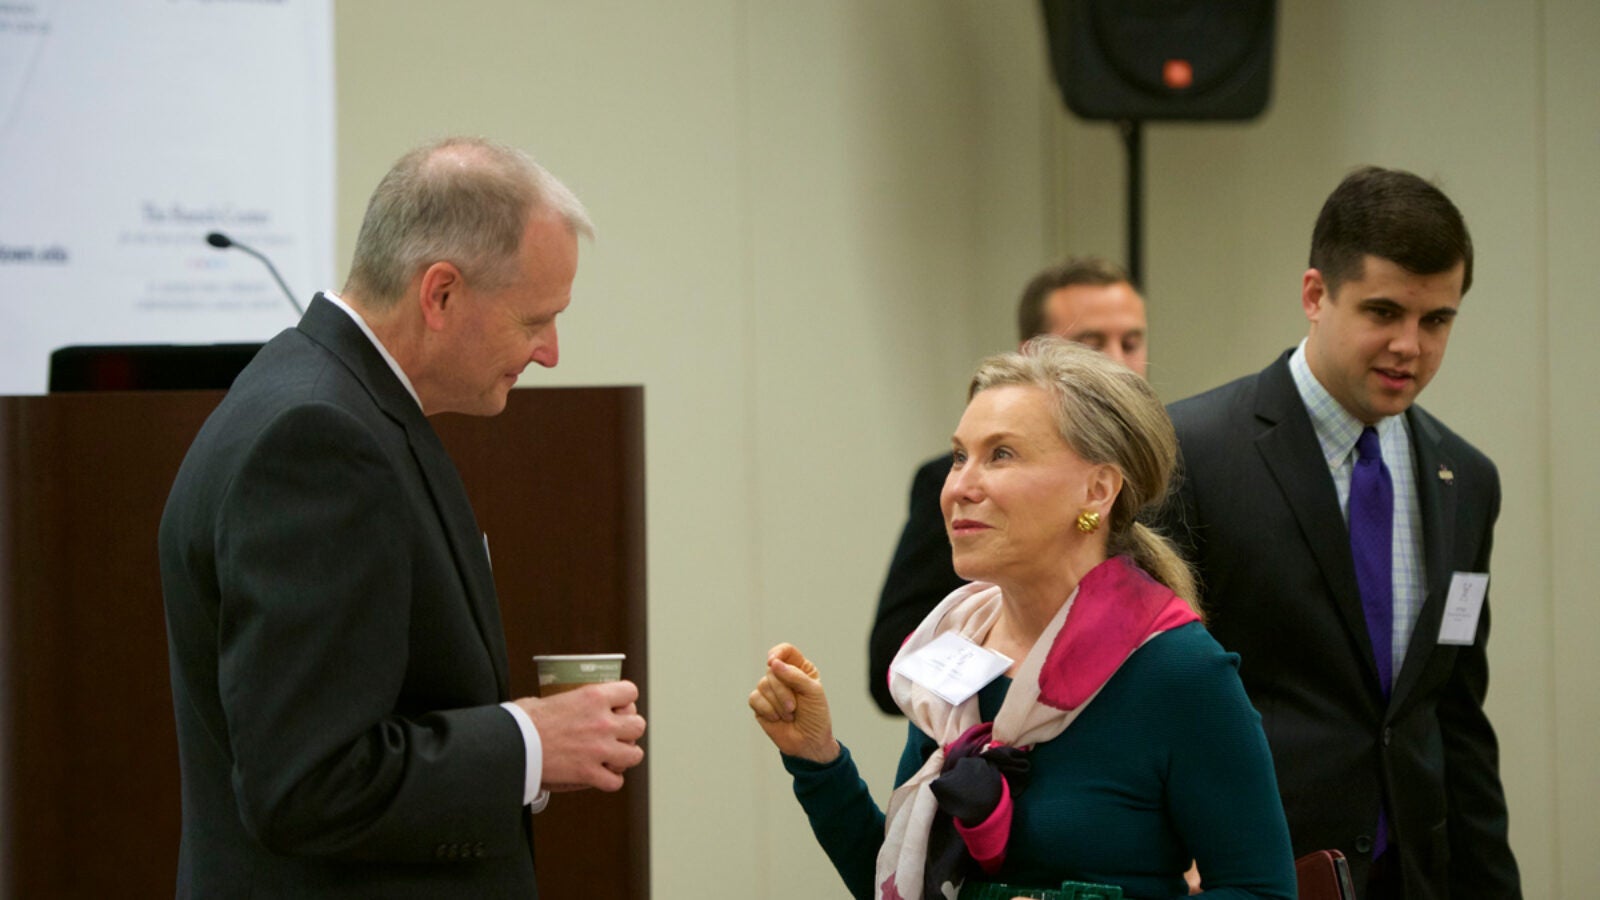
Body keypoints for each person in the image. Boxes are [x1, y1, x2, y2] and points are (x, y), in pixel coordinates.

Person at [159, 137, 646, 898]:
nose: (550, 352)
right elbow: (308, 783)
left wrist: (524, 751)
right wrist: (527, 743)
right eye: (534, 320)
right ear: (440, 294)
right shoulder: (319, 439)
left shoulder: (328, 398)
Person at [755, 338, 1295, 899]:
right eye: (960, 456)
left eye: (1001, 455)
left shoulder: (1179, 670)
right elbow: (901, 882)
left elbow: (1262, 891)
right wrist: (817, 758)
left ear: (1097, 490)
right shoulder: (953, 649)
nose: (960, 488)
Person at [1155, 166, 1521, 899]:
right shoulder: (1192, 450)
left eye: (1436, 320)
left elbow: (1454, 716)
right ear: (1315, 295)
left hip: (1412, 873)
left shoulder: (1467, 480)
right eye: (1383, 312)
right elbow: (1150, 695)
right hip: (1252, 873)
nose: (1409, 345)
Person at [869, 258, 1147, 715]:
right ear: (1033, 356)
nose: (1117, 361)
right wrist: (1006, 647)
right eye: (1091, 344)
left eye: (1131, 343)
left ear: (1101, 490)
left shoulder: (1180, 473)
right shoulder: (960, 490)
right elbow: (892, 664)